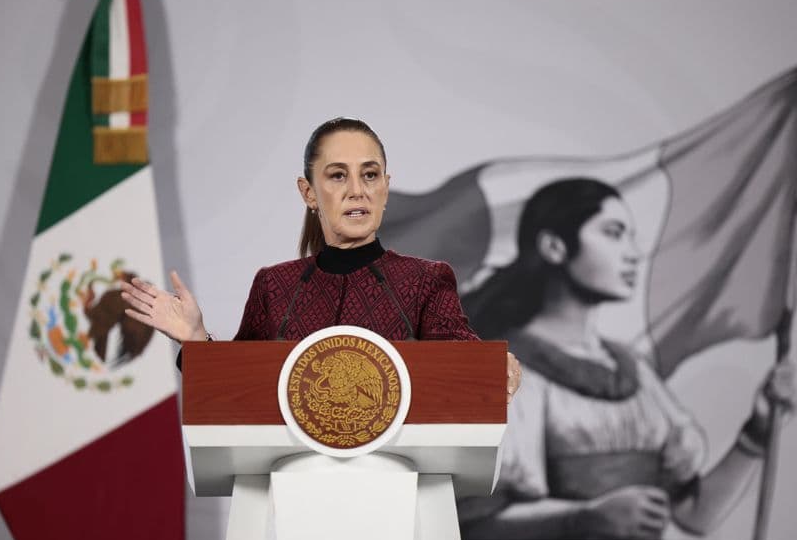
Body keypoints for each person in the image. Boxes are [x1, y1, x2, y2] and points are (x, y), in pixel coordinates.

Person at [457, 178, 797, 540]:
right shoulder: (503, 371)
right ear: (554, 246)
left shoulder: (633, 371)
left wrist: (757, 432)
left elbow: (694, 515)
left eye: (631, 236)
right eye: (614, 233)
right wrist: (584, 518)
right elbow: (472, 523)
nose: (633, 253)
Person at [120, 117, 521, 401]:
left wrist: (492, 366)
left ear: (385, 188)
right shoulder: (274, 287)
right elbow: (237, 388)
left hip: (397, 498)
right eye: (336, 175)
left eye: (369, 175)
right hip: (298, 501)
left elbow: (461, 355)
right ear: (309, 192)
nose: (356, 190)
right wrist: (196, 341)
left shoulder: (426, 280)